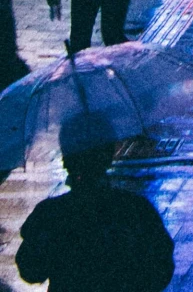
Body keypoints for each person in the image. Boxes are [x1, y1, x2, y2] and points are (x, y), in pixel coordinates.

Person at [16, 118, 174, 291]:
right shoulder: (136, 210)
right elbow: (160, 268)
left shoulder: (51, 214)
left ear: (67, 161)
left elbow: (31, 270)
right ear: (109, 156)